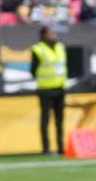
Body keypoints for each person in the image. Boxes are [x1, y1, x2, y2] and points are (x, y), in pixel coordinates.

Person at [30, 27, 67, 155]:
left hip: (59, 88)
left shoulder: (60, 47)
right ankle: (46, 148)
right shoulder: (38, 49)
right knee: (45, 120)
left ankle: (61, 146)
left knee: (59, 120)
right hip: (45, 89)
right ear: (44, 34)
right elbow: (33, 70)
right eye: (51, 32)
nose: (54, 34)